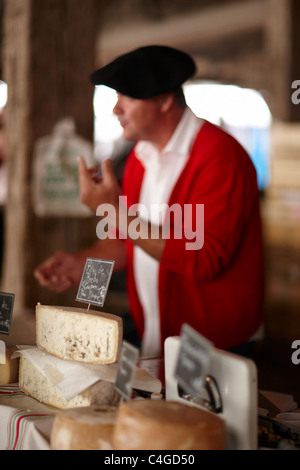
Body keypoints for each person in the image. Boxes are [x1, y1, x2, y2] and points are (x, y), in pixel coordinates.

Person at [34, 45, 264, 359]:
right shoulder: (141, 156)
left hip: (212, 345)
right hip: (157, 332)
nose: (116, 109)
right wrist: (81, 266)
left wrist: (112, 211)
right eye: (116, 97)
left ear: (165, 99)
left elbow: (203, 259)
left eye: (127, 97)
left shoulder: (219, 157)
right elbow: (130, 240)